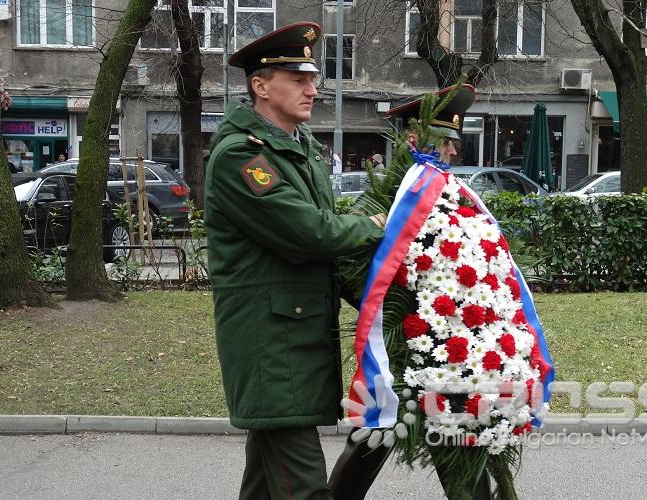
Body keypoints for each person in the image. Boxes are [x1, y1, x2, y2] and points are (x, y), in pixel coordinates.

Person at [204, 22, 386, 499]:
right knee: (303, 488)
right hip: (270, 343)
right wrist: (380, 225)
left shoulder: (298, 149)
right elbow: (308, 233)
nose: (313, 89)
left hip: (293, 339)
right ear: (260, 86)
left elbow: (326, 249)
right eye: (298, 79)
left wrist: (380, 299)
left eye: (312, 79)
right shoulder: (241, 156)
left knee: (265, 486)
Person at [328, 83, 493, 500]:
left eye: (456, 143)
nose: (452, 151)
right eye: (444, 141)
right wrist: (394, 316)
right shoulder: (387, 195)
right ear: (414, 140)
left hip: (449, 351)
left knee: (459, 443)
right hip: (398, 353)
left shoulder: (453, 196)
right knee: (373, 441)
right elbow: (347, 267)